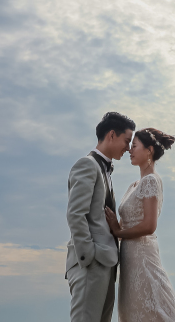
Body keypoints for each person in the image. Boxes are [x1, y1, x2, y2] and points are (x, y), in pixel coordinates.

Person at [104, 128, 175, 322]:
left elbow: (149, 225)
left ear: (149, 150)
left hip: (143, 257)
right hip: (129, 258)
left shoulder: (151, 181)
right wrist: (114, 229)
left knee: (153, 307)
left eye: (134, 146)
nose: (130, 150)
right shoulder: (134, 185)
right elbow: (125, 224)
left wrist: (118, 230)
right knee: (134, 310)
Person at [66, 112, 135, 322]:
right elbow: (76, 214)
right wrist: (89, 256)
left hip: (106, 265)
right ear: (112, 135)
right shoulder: (87, 164)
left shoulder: (105, 170)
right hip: (91, 264)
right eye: (127, 140)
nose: (128, 148)